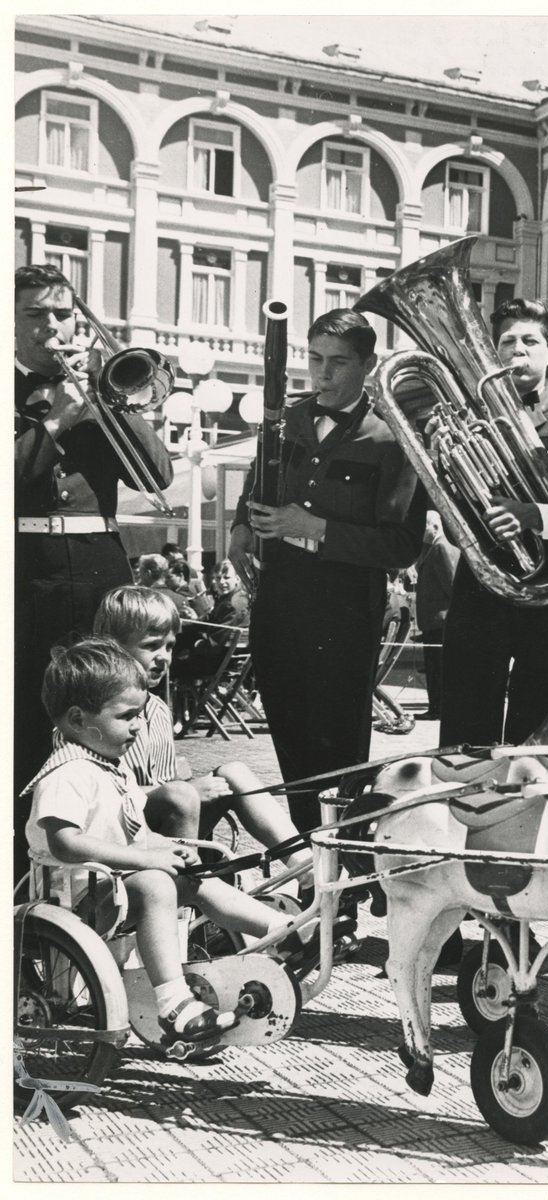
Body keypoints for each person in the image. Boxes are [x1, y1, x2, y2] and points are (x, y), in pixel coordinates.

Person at [23, 639, 305, 1048]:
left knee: (190, 876)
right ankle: (174, 1003)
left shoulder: (106, 769)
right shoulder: (66, 774)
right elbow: (65, 843)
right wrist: (142, 858)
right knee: (156, 883)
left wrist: (169, 847)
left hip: (109, 890)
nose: (139, 726)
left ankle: (281, 929)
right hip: (72, 897)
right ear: (78, 719)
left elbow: (134, 829)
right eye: (127, 717)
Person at [228, 309, 425, 835]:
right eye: (315, 359)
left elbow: (402, 546)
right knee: (288, 735)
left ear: (368, 364)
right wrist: (239, 527)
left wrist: (314, 527)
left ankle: (345, 862)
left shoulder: (394, 438)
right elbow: (257, 482)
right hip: (279, 599)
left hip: (344, 609)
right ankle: (306, 855)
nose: (323, 374)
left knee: (338, 748)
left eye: (338, 363)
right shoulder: (288, 419)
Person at [14, 263, 174, 883]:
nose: (53, 327)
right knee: (30, 720)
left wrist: (112, 403)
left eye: (63, 314)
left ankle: (116, 869)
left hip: (101, 566)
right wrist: (55, 423)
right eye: (36, 314)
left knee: (111, 712)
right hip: (26, 569)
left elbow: (155, 475)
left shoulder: (101, 391)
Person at [439, 297, 548, 748]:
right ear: (493, 354)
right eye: (506, 341)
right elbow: (448, 517)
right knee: (465, 738)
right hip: (481, 591)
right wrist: (441, 461)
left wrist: (532, 516)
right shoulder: (469, 423)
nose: (517, 350)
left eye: (529, 341)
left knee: (542, 739)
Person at [92, 586, 313, 884]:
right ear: (113, 647)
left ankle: (305, 865)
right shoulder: (95, 713)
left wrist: (183, 787)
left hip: (161, 826)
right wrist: (185, 790)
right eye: (152, 646)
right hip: (119, 839)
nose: (164, 658)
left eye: (169, 647)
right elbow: (100, 796)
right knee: (182, 793)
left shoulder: (157, 709)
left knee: (234, 773)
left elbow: (167, 785)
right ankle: (189, 897)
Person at [414, 511, 458, 720]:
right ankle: (436, 707)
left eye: (423, 528)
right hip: (433, 621)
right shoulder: (433, 548)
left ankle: (437, 708)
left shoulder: (441, 548)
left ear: (434, 527)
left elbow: (451, 585)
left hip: (439, 621)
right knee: (433, 667)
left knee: (436, 668)